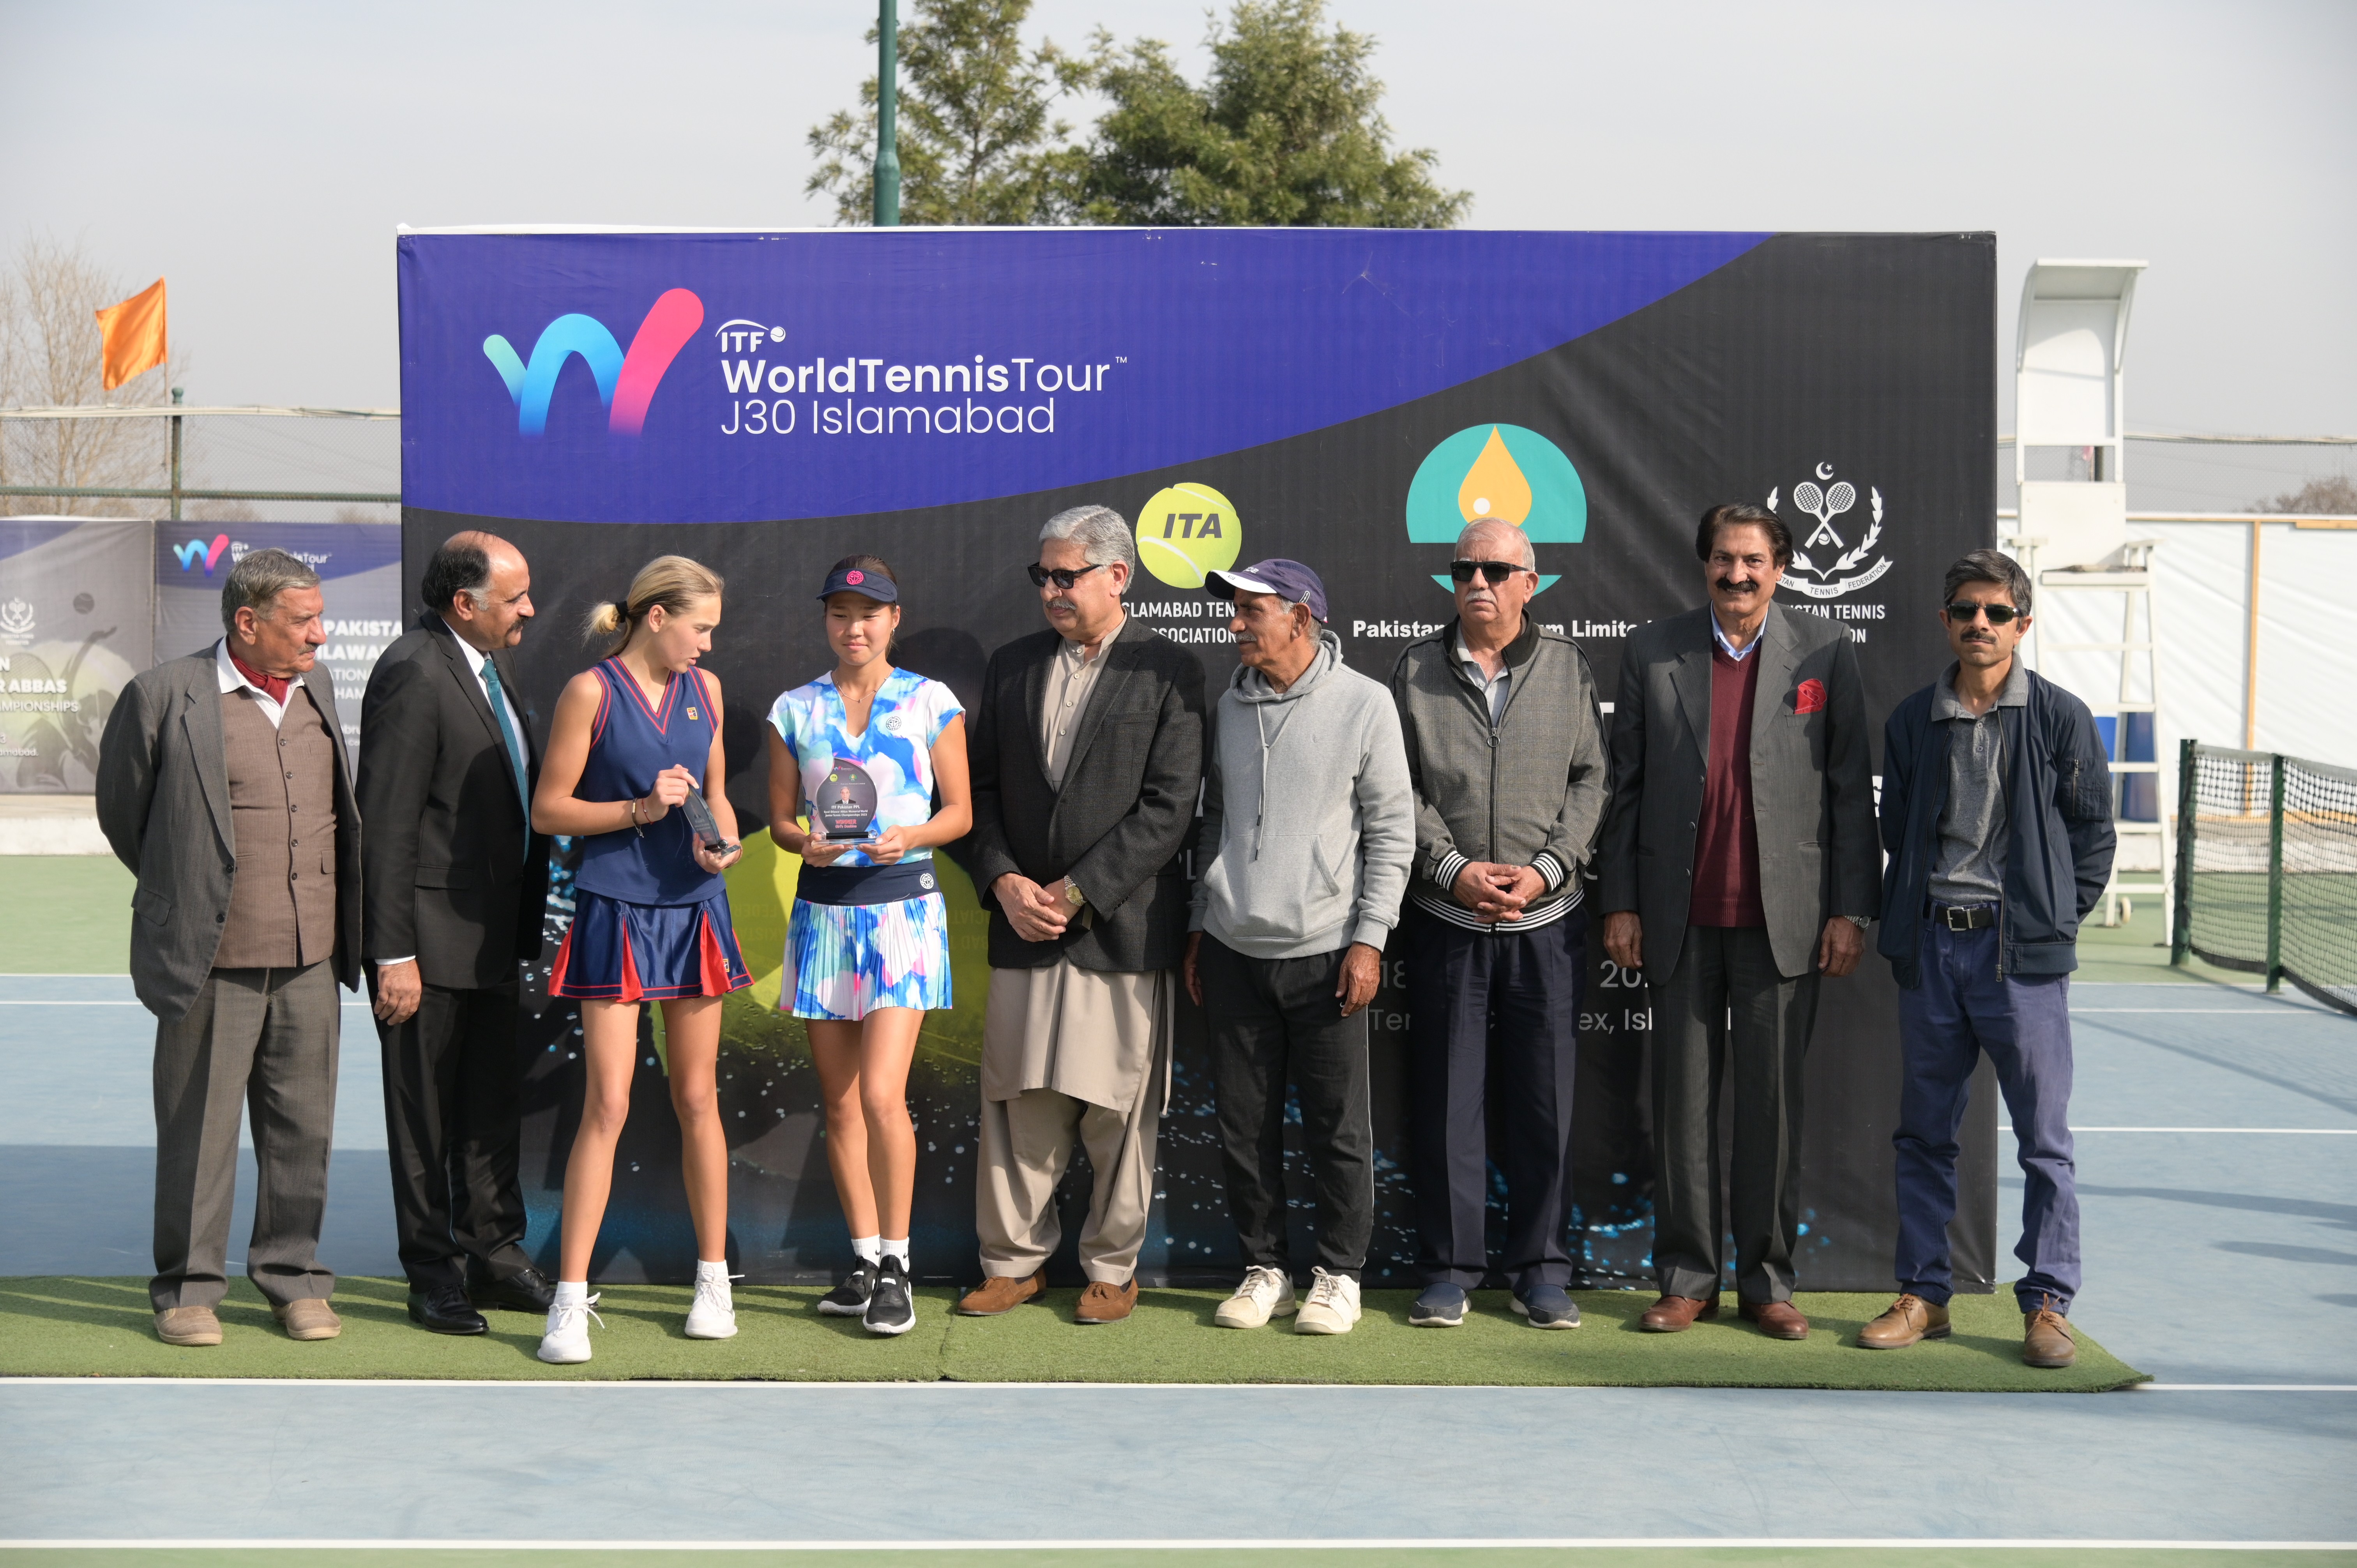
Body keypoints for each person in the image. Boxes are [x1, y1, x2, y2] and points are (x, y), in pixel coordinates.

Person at [1598, 503, 1878, 1340]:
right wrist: (1619, 898)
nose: (1738, 575)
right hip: (1678, 919)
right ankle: (1688, 1278)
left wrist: (1848, 908)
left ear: (1780, 568)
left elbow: (1849, 795)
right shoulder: (1654, 650)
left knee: (1772, 1112)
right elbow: (1627, 788)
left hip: (1783, 923)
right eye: (1724, 559)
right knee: (1683, 1110)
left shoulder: (1826, 652)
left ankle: (1767, 1281)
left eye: (1754, 560)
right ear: (1704, 567)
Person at [96, 547, 364, 1347]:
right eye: (303, 620)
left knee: (303, 1130)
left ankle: (294, 1279)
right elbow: (126, 814)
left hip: (312, 955)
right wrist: (190, 890)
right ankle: (187, 1290)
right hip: (210, 958)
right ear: (247, 621)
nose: (320, 634)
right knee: (200, 1133)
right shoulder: (163, 695)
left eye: (320, 616)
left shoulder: (315, 688)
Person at [952, 504, 1204, 1326]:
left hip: (1118, 930)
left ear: (1118, 576)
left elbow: (1170, 808)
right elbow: (979, 794)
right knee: (1019, 1104)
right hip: (1023, 927)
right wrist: (1004, 882)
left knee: (1117, 1112)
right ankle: (1012, 1263)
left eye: (1067, 575)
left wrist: (1077, 890)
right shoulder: (1013, 664)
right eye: (1043, 576)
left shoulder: (1170, 668)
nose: (1051, 590)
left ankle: (1112, 1267)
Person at [1862, 549, 2113, 1369]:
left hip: (2023, 960)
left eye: (1997, 612)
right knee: (1924, 1134)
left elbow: (2092, 833)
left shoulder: (2061, 716)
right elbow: (1898, 831)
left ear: (2023, 624)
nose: (1981, 623)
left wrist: (2049, 918)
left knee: (2044, 1140)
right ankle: (1924, 1296)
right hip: (1935, 947)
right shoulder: (1911, 720)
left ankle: (2047, 1302)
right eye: (1966, 609)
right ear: (1945, 620)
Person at [1389, 519, 1610, 1330]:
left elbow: (1592, 779)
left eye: (1495, 568)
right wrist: (1453, 867)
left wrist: (1549, 868)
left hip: (1547, 925)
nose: (1477, 581)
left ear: (1531, 580)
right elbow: (1395, 786)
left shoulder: (1568, 668)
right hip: (1447, 918)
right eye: (1464, 568)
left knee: (1544, 1107)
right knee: (1450, 1106)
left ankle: (1543, 1270)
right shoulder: (1414, 669)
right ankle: (1450, 1268)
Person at [530, 555, 751, 1364]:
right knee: (610, 1105)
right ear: (656, 617)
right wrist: (638, 808)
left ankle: (713, 1278)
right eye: (701, 627)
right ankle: (568, 1299)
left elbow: (719, 792)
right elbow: (548, 807)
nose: (708, 644)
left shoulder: (710, 692)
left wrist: (718, 839)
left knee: (698, 1097)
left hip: (696, 910)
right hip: (615, 910)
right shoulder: (590, 692)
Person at [1185, 559, 1413, 1335]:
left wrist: (1370, 939)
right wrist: (1196, 922)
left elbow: (1391, 833)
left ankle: (1340, 1273)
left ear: (1301, 616)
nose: (1235, 625)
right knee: (1244, 1126)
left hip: (1326, 951)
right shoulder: (1225, 708)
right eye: (1236, 612)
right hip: (1230, 944)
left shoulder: (1365, 704)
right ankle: (1264, 1267)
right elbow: (1213, 823)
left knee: (1337, 1126)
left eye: (1251, 612)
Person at [765, 556, 971, 1337]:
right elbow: (781, 817)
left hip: (903, 917)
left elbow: (959, 812)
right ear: (828, 621)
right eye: (841, 614)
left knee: (883, 1095)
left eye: (869, 614)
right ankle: (860, 1257)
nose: (854, 628)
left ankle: (898, 1266)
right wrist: (802, 844)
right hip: (822, 918)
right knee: (843, 1100)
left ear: (894, 618)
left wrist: (910, 836)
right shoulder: (795, 707)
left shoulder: (931, 701)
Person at [357, 532, 554, 1336]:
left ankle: (497, 1254)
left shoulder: (486, 666)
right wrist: (392, 950)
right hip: (425, 950)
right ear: (465, 603)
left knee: (488, 1110)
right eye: (516, 597)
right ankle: (435, 1273)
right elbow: (388, 823)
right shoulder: (413, 669)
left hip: (490, 940)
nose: (532, 609)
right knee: (424, 1120)